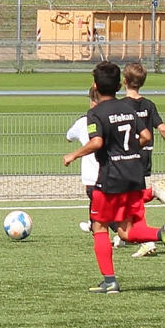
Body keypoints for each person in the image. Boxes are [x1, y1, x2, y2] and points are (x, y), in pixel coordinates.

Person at [63, 61, 165, 294]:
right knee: (126, 232)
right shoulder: (129, 109)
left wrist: (73, 154)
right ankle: (161, 234)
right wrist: (129, 150)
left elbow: (97, 142)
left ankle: (110, 280)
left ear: (95, 86)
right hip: (135, 174)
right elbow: (147, 136)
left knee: (99, 227)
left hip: (111, 179)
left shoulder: (95, 113)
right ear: (119, 85)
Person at [122, 62, 165, 258]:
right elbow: (162, 128)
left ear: (124, 81)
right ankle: (130, 236)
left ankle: (146, 239)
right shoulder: (148, 105)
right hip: (146, 153)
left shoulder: (121, 106)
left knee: (130, 197)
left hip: (128, 155)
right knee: (133, 197)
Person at [66, 86, 101, 234]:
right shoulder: (113, 117)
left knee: (102, 214)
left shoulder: (84, 122)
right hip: (117, 171)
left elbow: (69, 136)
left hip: (94, 176)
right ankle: (91, 223)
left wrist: (73, 154)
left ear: (92, 102)